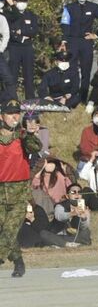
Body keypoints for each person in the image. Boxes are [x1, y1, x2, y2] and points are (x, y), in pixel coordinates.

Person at [0, 98, 43, 277]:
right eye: (10, 113)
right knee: (4, 230)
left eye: (17, 112)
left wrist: (30, 133)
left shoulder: (23, 135)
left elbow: (36, 147)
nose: (14, 116)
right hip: (1, 190)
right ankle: (18, 261)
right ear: (2, 116)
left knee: (10, 229)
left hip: (19, 192)